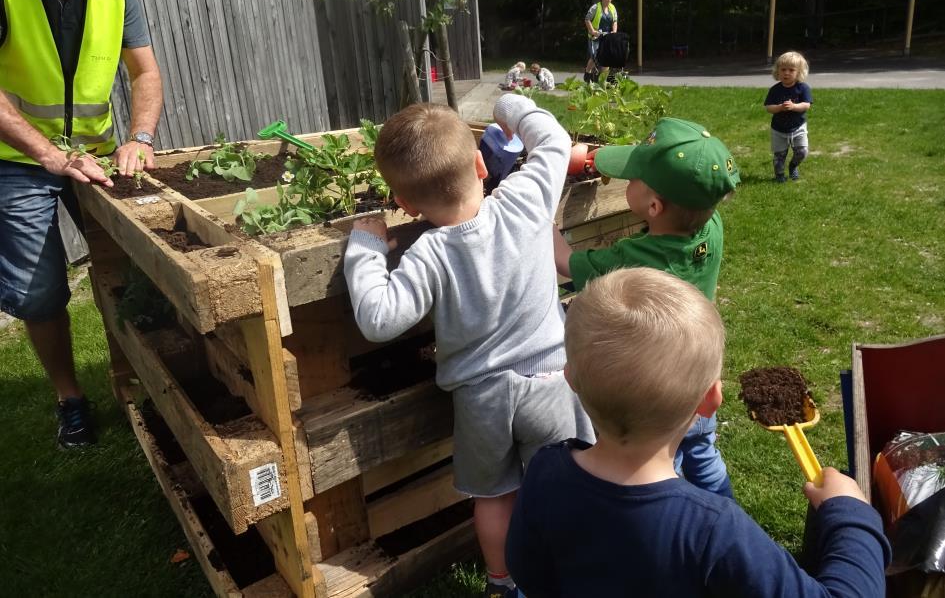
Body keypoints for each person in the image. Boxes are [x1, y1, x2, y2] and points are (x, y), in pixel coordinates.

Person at [506, 267, 891, 597]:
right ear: (711, 398)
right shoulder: (715, 531)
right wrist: (852, 515)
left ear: (570, 379)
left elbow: (530, 574)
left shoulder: (545, 473)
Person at [344, 95, 594, 598]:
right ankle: (573, 571)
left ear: (406, 206)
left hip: (482, 401)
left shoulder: (428, 253)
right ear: (482, 163)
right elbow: (555, 141)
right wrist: (510, 105)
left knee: (495, 497)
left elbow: (377, 318)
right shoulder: (525, 199)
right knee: (565, 488)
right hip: (551, 382)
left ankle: (503, 584)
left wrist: (367, 249)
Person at [0, 0, 163, 448]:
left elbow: (144, 74)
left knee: (132, 266)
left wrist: (139, 138)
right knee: (40, 290)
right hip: (17, 159)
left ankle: (146, 376)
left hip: (93, 156)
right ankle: (70, 398)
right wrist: (47, 153)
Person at [553, 117, 739, 498]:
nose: (627, 179)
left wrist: (543, 220)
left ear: (653, 205)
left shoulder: (635, 261)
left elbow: (565, 263)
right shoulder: (709, 223)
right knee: (703, 456)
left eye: (632, 177)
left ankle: (678, 527)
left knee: (664, 473)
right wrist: (592, 159)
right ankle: (724, 512)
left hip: (656, 397)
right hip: (698, 379)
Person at [765, 51, 812, 182]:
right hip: (778, 129)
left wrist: (794, 107)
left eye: (791, 70)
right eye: (783, 69)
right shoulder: (775, 90)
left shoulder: (803, 88)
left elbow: (806, 105)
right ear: (778, 71)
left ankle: (793, 166)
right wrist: (779, 108)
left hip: (798, 127)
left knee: (802, 151)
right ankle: (779, 176)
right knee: (779, 155)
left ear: (799, 72)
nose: (786, 73)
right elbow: (769, 108)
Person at [583, 0, 617, 83]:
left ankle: (603, 79)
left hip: (607, 37)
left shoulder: (612, 8)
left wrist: (614, 31)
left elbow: (615, 21)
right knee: (595, 56)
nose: (609, 0)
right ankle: (587, 73)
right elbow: (587, 19)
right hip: (595, 36)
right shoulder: (595, 7)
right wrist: (592, 31)